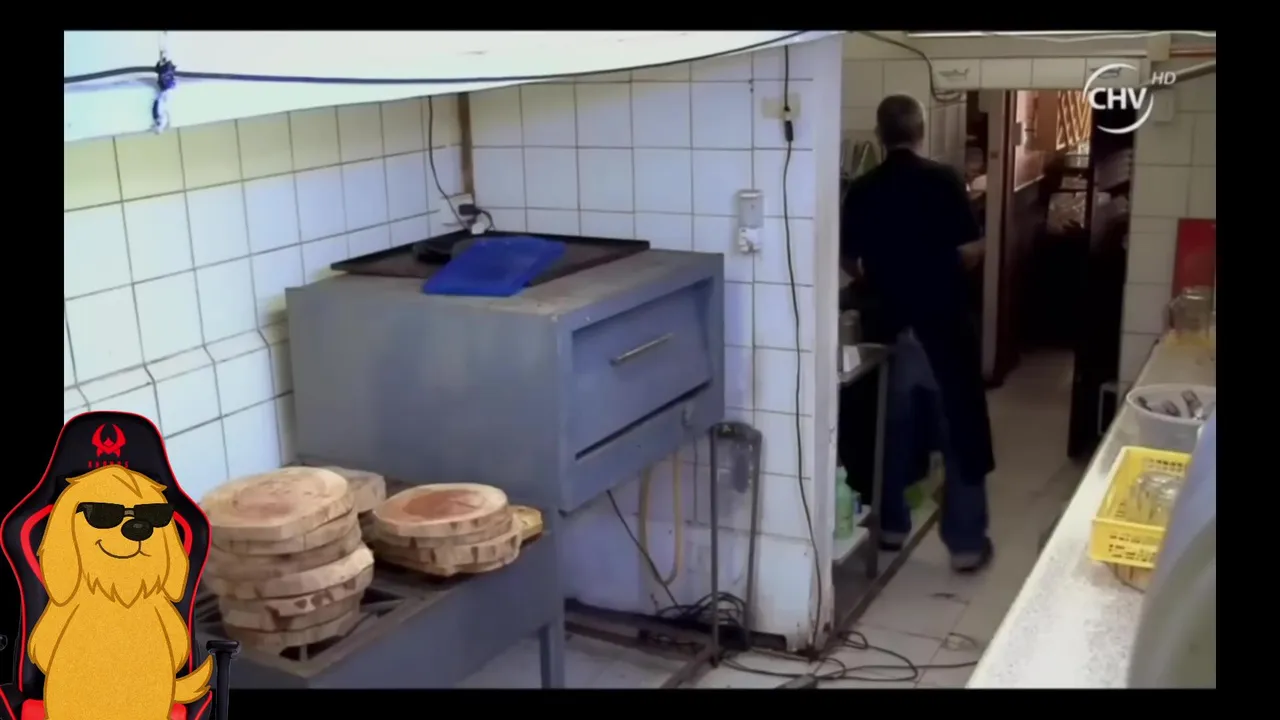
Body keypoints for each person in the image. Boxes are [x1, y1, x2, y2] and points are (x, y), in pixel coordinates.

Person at [841, 94, 995, 574]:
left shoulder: (863, 188)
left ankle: (889, 527)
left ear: (879, 135)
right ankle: (966, 545)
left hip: (889, 328)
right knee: (959, 431)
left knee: (890, 431)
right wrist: (945, 268)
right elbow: (971, 249)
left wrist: (878, 277)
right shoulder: (944, 180)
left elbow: (849, 259)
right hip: (942, 325)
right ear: (920, 131)